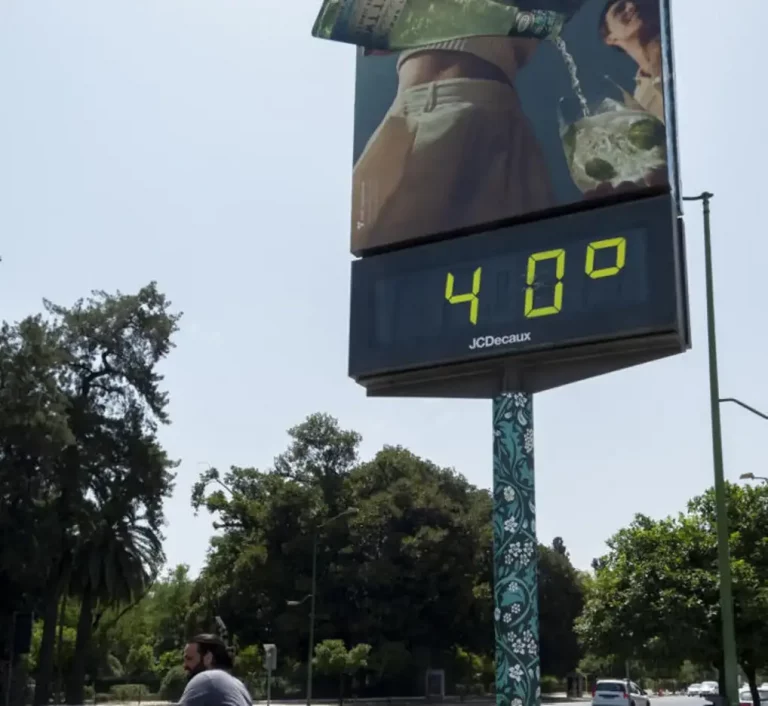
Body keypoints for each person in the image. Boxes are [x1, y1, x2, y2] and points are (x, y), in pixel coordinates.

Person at [351, 37, 558, 253]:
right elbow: (372, 40)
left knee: (494, 253)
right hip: (405, 113)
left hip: (483, 111)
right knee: (376, 249)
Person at [598, 0, 664, 122]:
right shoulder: (640, 101)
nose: (631, 6)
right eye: (619, 10)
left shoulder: (677, 38)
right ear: (611, 38)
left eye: (633, 1)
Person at [179, 634, 251, 706]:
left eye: (189, 658)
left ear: (208, 657)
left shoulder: (205, 678)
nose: (185, 666)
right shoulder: (239, 685)